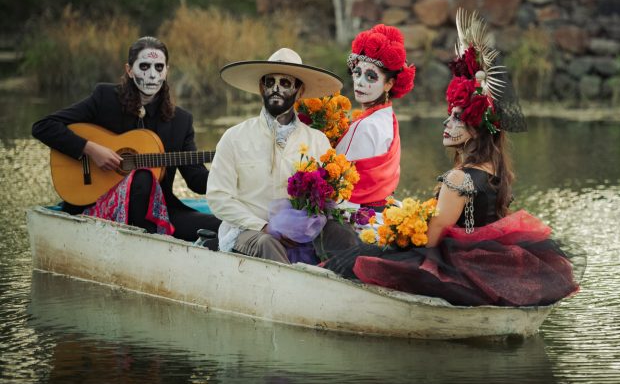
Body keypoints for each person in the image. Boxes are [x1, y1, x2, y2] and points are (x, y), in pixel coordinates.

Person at [324, 10, 583, 307]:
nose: (447, 124)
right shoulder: (494, 168)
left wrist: (399, 230)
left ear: (475, 128)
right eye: (450, 116)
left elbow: (430, 238)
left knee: (354, 258)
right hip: (471, 254)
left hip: (446, 258)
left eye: (457, 119)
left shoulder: (458, 179)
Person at [31, 36, 221, 242]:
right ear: (129, 70)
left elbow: (196, 180)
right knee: (143, 177)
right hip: (98, 206)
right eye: (144, 66)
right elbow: (43, 126)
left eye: (159, 67)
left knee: (221, 227)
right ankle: (149, 243)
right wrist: (90, 149)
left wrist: (228, 169)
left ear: (167, 70)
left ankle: (151, 239)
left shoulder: (180, 120)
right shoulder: (105, 99)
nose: (152, 74)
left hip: (157, 213)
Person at [207, 48, 352, 263]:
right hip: (249, 231)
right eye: (269, 82)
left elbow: (332, 197)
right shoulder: (234, 137)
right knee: (268, 243)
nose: (276, 88)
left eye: (285, 83)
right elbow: (218, 197)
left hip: (301, 234)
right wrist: (264, 227)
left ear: (299, 91)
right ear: (260, 87)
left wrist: (310, 224)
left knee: (342, 233)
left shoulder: (317, 141)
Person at [334, 24, 416, 211]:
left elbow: (337, 184)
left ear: (389, 84)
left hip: (360, 218)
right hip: (379, 213)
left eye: (371, 76)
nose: (360, 82)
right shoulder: (388, 117)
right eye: (357, 73)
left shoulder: (366, 126)